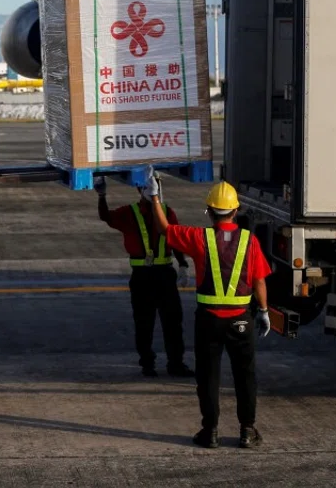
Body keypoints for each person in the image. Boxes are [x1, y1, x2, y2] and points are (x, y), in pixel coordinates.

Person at [144, 170, 272, 449]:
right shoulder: (250, 241)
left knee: (208, 375)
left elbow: (165, 229)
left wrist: (154, 196)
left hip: (208, 321)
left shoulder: (199, 238)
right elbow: (260, 280)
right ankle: (247, 431)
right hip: (241, 319)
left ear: (209, 211)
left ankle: (210, 431)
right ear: (235, 211)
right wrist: (263, 311)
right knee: (245, 375)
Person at [95, 175, 195, 378]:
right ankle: (147, 364)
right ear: (139, 190)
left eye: (156, 186)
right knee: (144, 323)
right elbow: (105, 216)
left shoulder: (167, 211)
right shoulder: (129, 212)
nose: (153, 191)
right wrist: (102, 196)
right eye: (149, 187)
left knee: (173, 322)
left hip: (165, 275)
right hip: (142, 276)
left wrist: (183, 264)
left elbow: (174, 239)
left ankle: (176, 363)